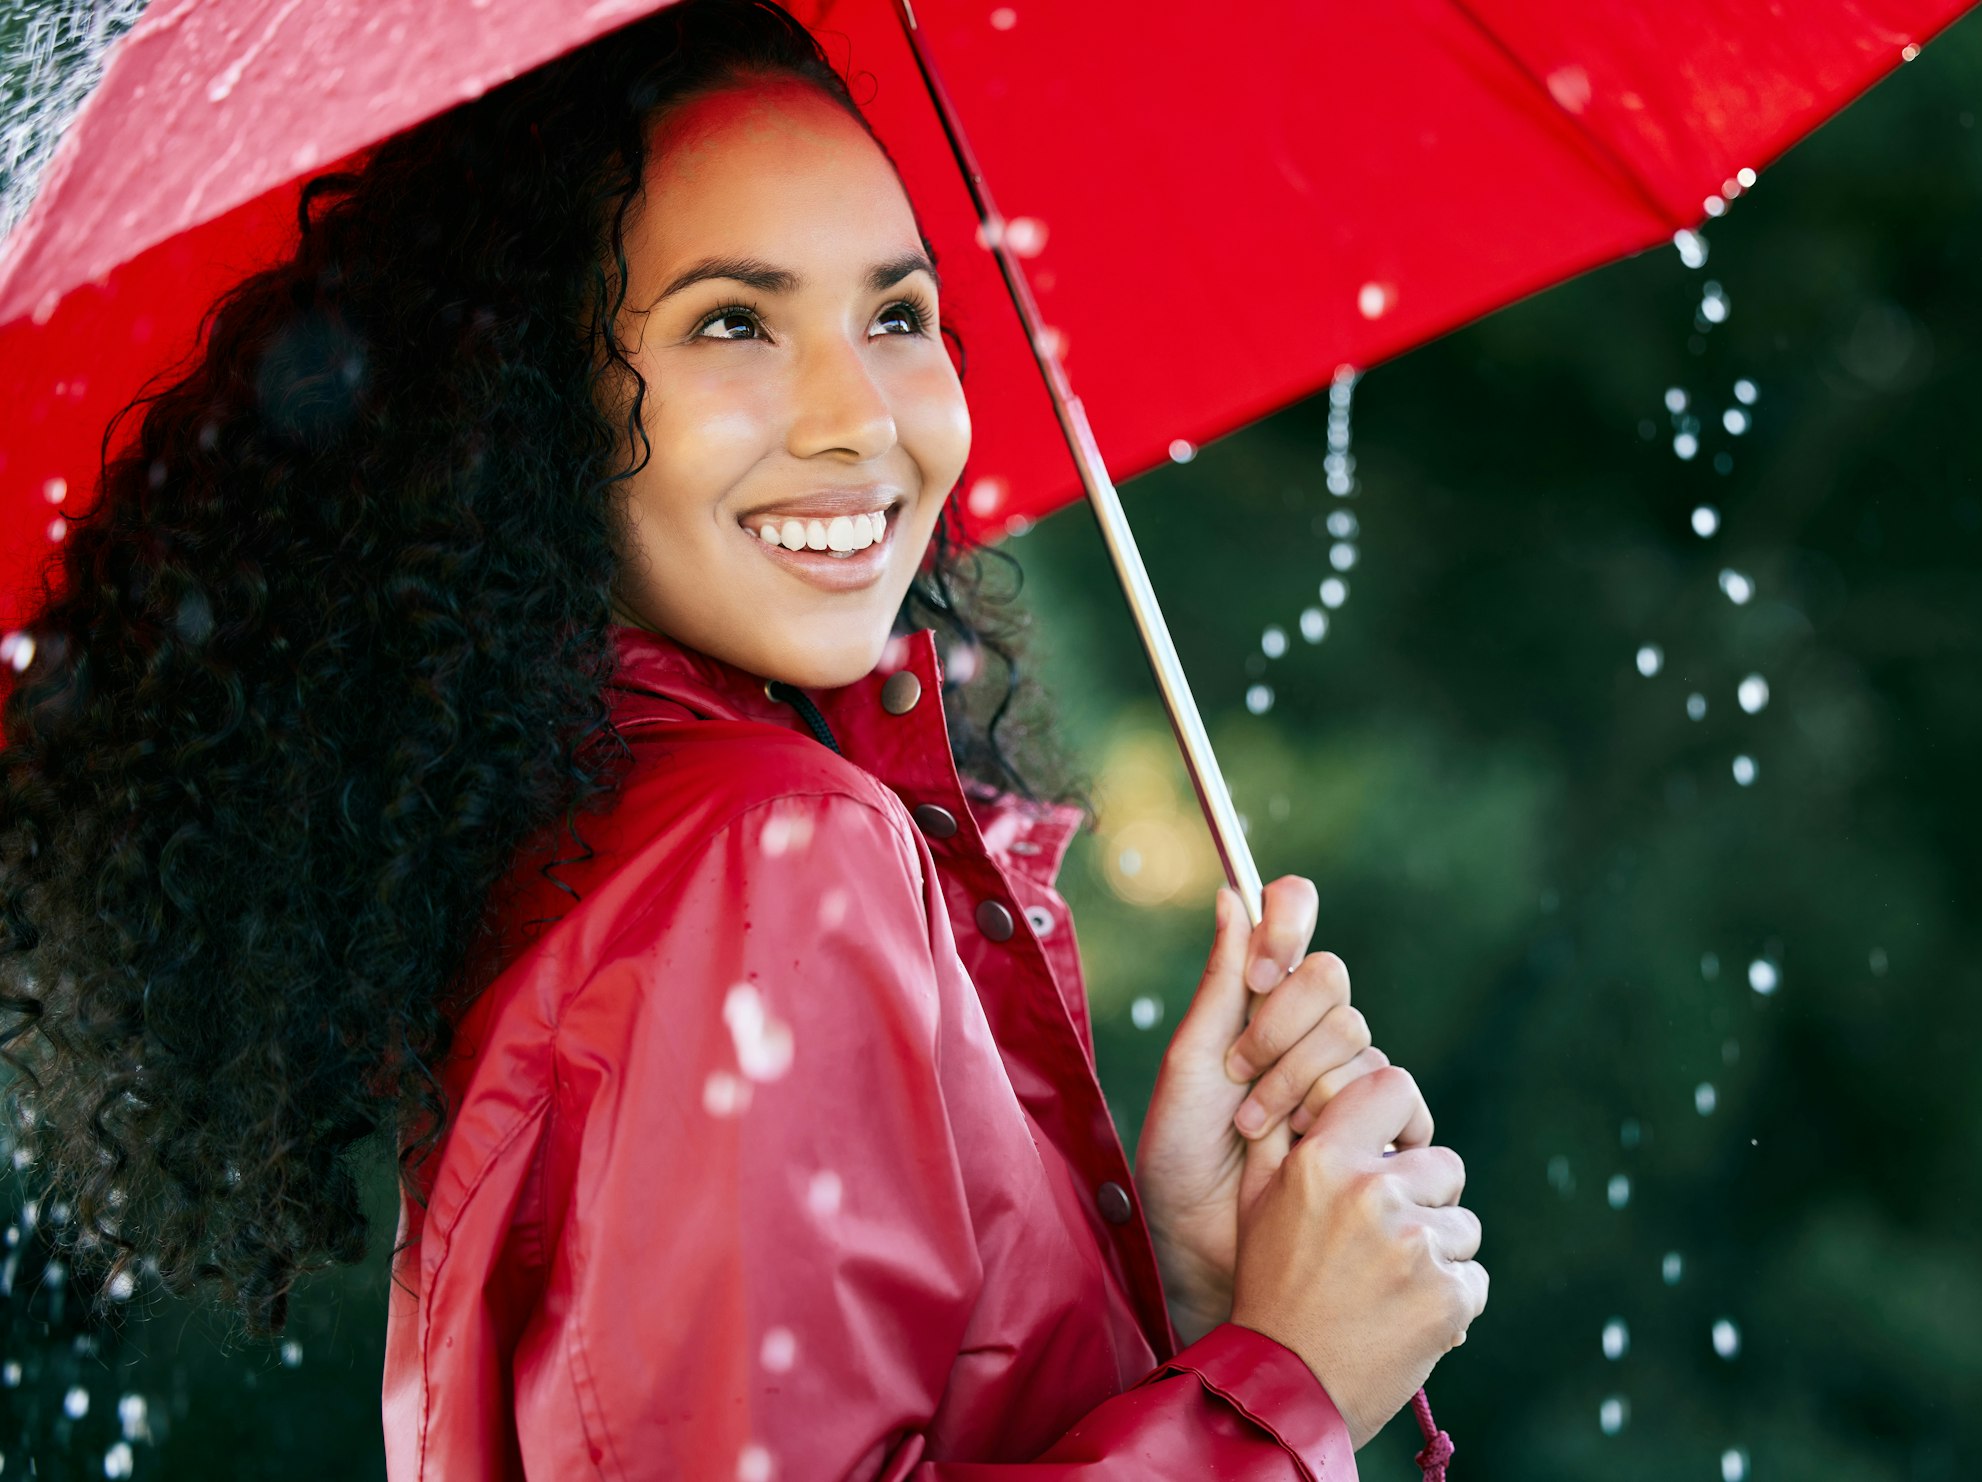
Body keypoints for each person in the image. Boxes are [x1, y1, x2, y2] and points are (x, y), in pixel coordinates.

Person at [0, 2, 1486, 1477]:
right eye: (732, 320)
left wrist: (1188, 1282)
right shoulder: (764, 851)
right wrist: (1278, 1394)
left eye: (897, 314)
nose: (859, 414)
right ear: (531, 414)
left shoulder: (600, 842)